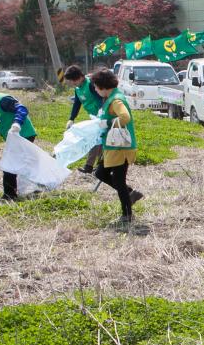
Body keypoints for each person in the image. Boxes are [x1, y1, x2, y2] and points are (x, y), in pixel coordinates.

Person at [89, 69, 144, 232]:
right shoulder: (111, 98)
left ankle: (127, 214)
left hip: (120, 147)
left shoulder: (116, 100)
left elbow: (125, 117)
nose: (96, 91)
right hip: (113, 146)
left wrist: (107, 123)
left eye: (96, 88)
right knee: (101, 173)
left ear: (103, 86)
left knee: (118, 179)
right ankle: (130, 194)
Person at [62, 65, 105, 174]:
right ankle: (93, 166)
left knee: (99, 139)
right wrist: (71, 118)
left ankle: (95, 166)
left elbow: (102, 97)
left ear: (80, 77)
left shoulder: (90, 85)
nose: (73, 83)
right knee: (96, 139)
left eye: (73, 80)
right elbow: (77, 104)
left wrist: (103, 111)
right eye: (71, 81)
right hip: (94, 117)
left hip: (103, 116)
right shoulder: (78, 89)